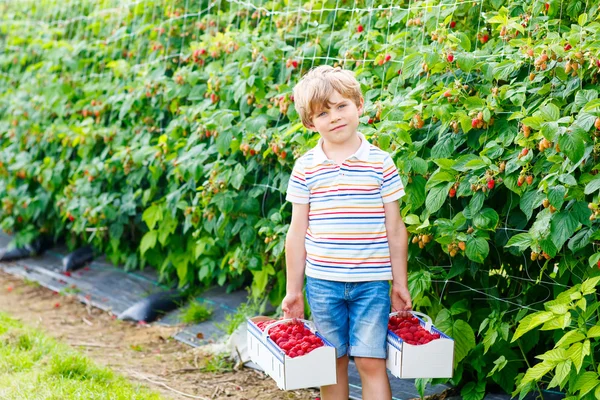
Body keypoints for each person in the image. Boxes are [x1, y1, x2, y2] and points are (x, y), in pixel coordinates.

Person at [282, 65, 412, 400]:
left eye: (342, 106)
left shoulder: (380, 163)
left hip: (372, 284)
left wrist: (400, 283)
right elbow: (296, 234)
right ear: (310, 123)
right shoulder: (305, 168)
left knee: (371, 361)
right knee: (333, 362)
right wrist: (293, 290)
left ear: (359, 105)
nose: (335, 117)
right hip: (323, 283)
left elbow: (395, 228)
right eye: (323, 113)